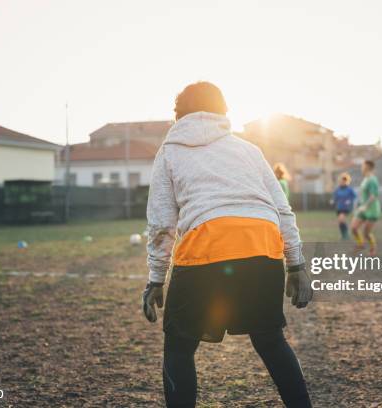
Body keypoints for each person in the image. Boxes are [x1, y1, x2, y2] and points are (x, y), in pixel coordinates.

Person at [142, 81, 313, 408]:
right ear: (223, 112)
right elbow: (281, 210)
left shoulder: (170, 151)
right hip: (262, 242)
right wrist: (296, 265)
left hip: (206, 244)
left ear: (179, 114)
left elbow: (162, 223)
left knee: (178, 347)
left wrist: (155, 279)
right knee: (270, 340)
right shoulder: (248, 150)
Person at [351, 160, 381, 256]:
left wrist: (365, 206)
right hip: (363, 209)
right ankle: (361, 244)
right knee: (354, 228)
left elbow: (373, 196)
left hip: (372, 210)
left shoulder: (373, 180)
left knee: (366, 233)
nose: (361, 168)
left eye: (362, 166)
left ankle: (373, 248)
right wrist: (360, 206)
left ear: (367, 167)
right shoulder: (365, 179)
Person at [332, 172, 356, 240]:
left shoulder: (349, 189)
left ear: (347, 181)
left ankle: (346, 234)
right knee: (340, 221)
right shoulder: (338, 189)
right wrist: (333, 201)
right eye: (341, 180)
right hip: (339, 207)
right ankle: (343, 235)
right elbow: (335, 197)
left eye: (344, 181)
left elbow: (354, 196)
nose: (342, 182)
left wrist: (349, 200)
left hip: (346, 207)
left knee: (341, 219)